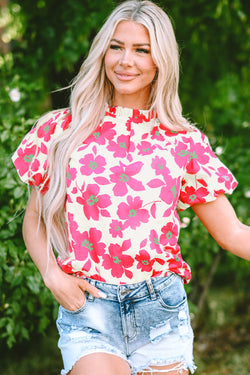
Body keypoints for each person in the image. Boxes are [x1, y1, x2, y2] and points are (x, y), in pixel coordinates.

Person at [12, 1, 250, 374]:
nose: (126, 61)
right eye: (117, 46)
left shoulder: (182, 142)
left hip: (161, 311)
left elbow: (233, 233)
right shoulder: (61, 130)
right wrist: (52, 274)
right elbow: (36, 219)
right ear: (103, 50)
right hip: (90, 310)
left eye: (142, 50)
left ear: (161, 61)